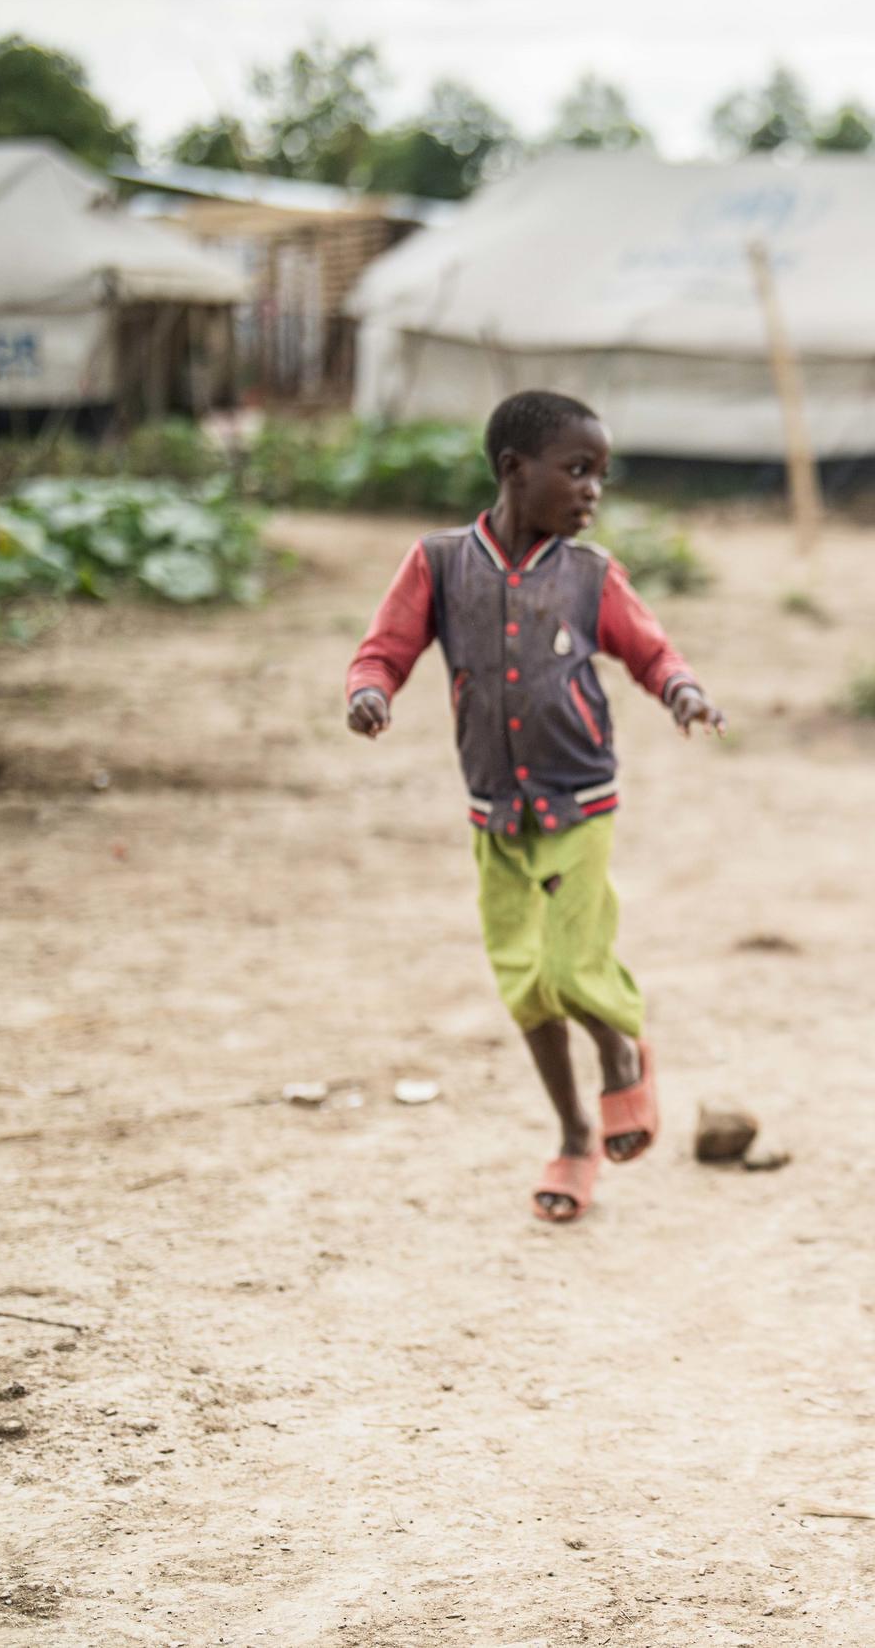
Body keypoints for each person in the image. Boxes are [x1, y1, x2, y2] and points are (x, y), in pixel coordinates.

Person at [345, 390, 727, 1224]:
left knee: (568, 967)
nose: (594, 490)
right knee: (524, 986)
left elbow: (649, 649)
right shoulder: (440, 564)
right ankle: (573, 1133)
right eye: (579, 470)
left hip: (580, 802)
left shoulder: (591, 574)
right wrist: (371, 692)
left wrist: (684, 692)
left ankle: (623, 1051)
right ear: (514, 470)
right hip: (494, 810)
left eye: (602, 476)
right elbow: (387, 647)